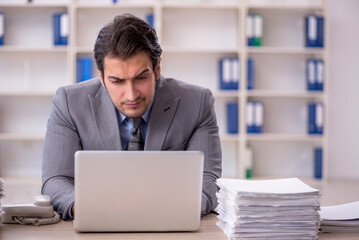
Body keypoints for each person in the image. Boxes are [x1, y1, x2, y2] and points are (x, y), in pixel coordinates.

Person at [42, 13, 222, 220]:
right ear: (101, 77)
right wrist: (88, 209)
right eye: (117, 81)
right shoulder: (69, 103)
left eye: (141, 78)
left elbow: (208, 179)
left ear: (157, 69)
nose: (131, 95)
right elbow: (55, 180)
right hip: (99, 224)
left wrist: (176, 208)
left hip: (169, 224)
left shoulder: (198, 103)